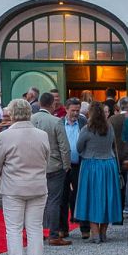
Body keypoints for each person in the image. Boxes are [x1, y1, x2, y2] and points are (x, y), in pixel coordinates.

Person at [0, 97, 51, 255]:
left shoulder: (4, 136)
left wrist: (2, 172)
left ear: (12, 113)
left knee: (14, 229)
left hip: (13, 187)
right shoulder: (42, 135)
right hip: (38, 186)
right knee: (35, 228)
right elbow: (46, 159)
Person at [75, 101, 122, 242]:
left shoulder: (86, 129)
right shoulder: (109, 127)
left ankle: (95, 233)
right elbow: (113, 146)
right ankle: (103, 232)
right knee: (107, 196)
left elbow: (78, 148)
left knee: (91, 197)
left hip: (91, 165)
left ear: (90, 113)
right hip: (108, 164)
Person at [32, 91, 72, 246]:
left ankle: (36, 232)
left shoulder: (31, 119)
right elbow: (64, 146)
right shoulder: (56, 121)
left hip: (35, 165)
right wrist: (66, 165)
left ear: (40, 103)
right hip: (54, 166)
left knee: (36, 201)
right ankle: (54, 234)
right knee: (54, 201)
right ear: (53, 105)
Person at [60, 97, 89, 240]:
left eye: (78, 111)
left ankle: (84, 228)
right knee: (62, 197)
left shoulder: (84, 123)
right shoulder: (59, 123)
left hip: (80, 164)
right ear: (66, 109)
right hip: (63, 166)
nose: (75, 113)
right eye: (73, 110)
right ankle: (63, 229)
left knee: (81, 196)